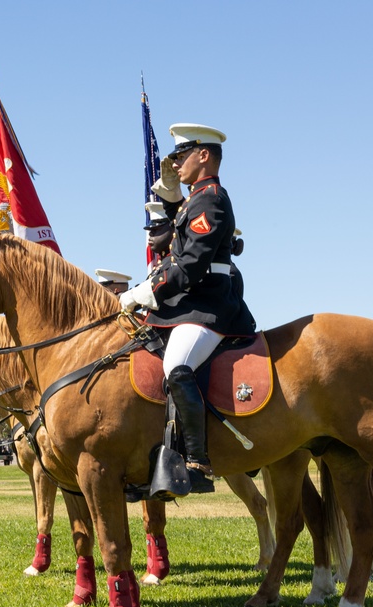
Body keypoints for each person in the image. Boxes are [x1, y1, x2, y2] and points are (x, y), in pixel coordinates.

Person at [120, 124, 255, 493]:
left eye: (182, 156)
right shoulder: (196, 199)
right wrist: (169, 196)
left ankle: (197, 462)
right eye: (175, 157)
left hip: (209, 307)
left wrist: (149, 291)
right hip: (188, 306)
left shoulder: (211, 198)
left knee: (177, 367)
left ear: (204, 156)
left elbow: (191, 264)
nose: (176, 163)